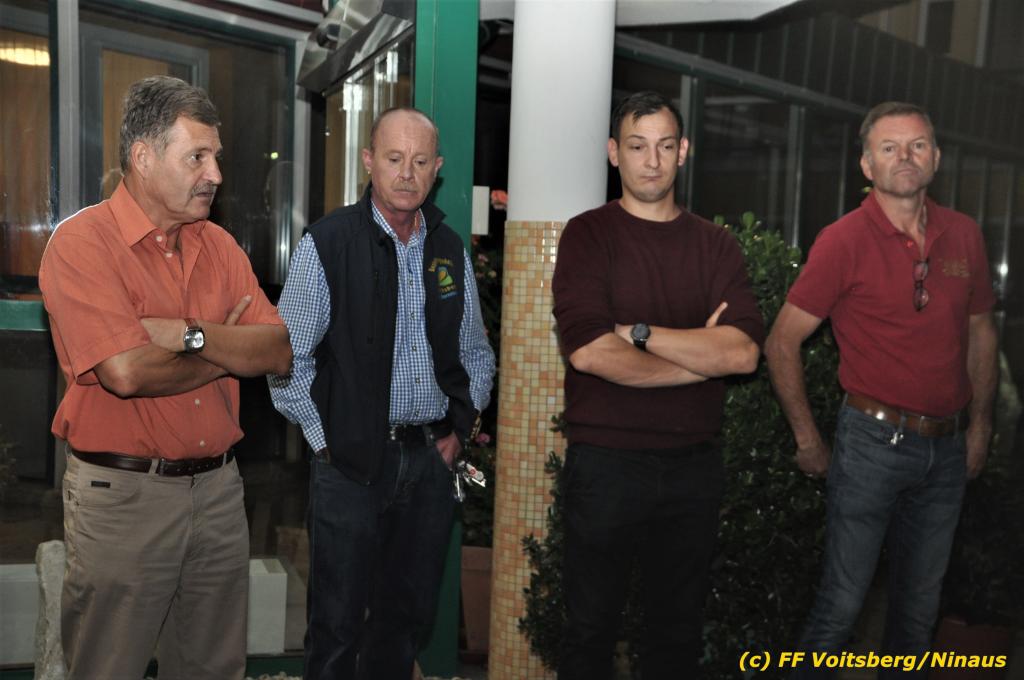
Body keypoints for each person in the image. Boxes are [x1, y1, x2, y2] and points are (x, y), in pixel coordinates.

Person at [38, 75, 293, 680]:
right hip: (124, 498)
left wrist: (187, 333)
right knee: (108, 667)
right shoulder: (82, 243)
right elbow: (126, 373)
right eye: (197, 157)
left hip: (220, 492)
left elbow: (278, 351)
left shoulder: (219, 246)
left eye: (216, 157)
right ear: (143, 157)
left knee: (213, 668)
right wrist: (228, 349)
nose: (215, 175)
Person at [765, 101, 998, 678]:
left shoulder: (964, 234)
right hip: (871, 444)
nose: (905, 157)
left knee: (918, 616)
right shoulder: (842, 240)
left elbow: (980, 332)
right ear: (867, 165)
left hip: (947, 449)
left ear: (936, 158)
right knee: (841, 608)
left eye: (917, 145)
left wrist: (981, 426)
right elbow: (781, 342)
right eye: (889, 148)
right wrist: (807, 439)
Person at [268, 106, 495, 680]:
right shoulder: (329, 242)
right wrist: (323, 440)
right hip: (348, 465)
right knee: (336, 626)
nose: (406, 173)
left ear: (437, 169)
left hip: (429, 463)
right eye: (394, 158)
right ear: (369, 161)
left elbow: (476, 353)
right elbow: (284, 356)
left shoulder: (448, 249)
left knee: (404, 622)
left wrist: (458, 431)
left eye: (420, 161)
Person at [551, 90, 764, 679]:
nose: (652, 161)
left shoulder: (716, 245)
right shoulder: (588, 235)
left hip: (694, 467)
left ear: (683, 151)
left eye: (665, 146)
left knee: (677, 636)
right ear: (613, 153)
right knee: (589, 632)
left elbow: (744, 353)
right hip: (607, 465)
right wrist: (700, 358)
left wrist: (639, 333)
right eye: (638, 146)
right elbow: (591, 352)